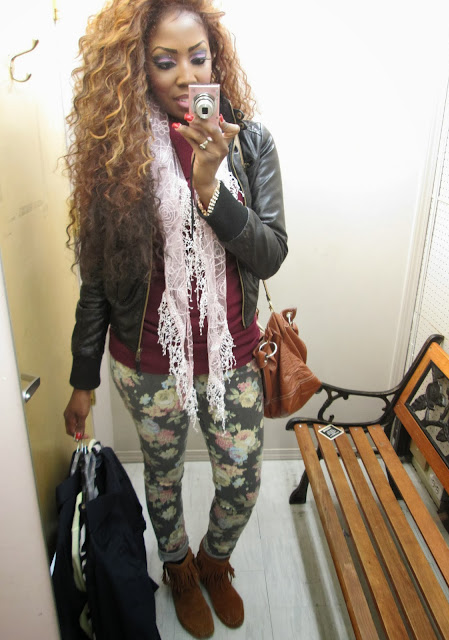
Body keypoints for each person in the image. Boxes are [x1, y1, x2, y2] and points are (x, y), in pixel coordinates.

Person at [63, 1, 287, 637]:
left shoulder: (251, 143)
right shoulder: (117, 153)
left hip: (232, 356)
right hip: (148, 363)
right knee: (162, 477)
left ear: (216, 60)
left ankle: (214, 563)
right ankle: (179, 570)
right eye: (165, 62)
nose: (186, 76)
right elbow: (97, 280)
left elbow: (270, 254)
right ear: (139, 67)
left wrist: (211, 189)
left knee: (241, 481)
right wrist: (82, 379)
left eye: (198, 57)